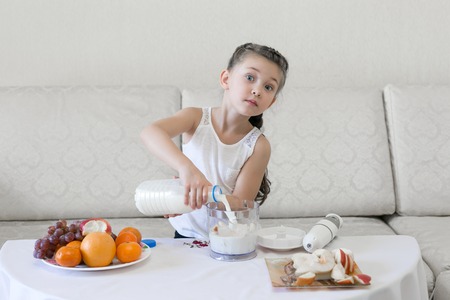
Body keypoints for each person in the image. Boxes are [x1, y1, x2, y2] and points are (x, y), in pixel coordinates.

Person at [140, 42, 289, 238]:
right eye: (250, 77)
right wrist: (187, 171)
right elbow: (150, 132)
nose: (257, 90)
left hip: (229, 238)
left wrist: (196, 194)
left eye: (268, 87)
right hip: (184, 235)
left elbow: (241, 206)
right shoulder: (195, 118)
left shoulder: (258, 145)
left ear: (271, 102)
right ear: (226, 79)